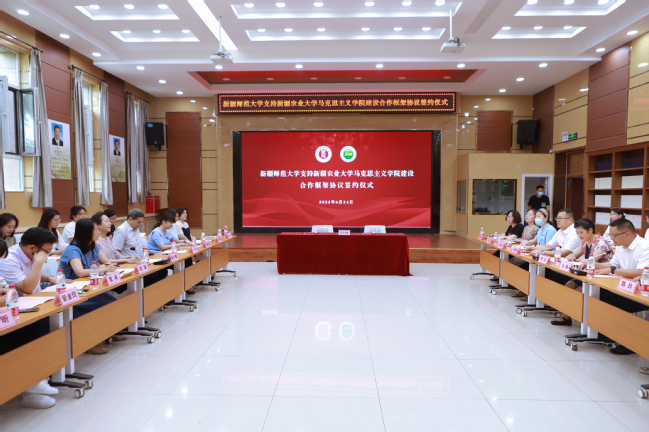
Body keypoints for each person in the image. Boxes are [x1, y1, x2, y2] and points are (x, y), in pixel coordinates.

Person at [0, 232, 64, 409]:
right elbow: (25, 289)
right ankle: (31, 381)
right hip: (14, 310)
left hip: (16, 309)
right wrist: (39, 262)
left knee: (34, 328)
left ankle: (34, 380)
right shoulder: (9, 259)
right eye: (47, 252)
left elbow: (6, 289)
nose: (48, 255)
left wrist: (48, 278)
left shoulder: (19, 255)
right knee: (25, 332)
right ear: (33, 248)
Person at [59, 218, 127, 354]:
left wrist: (105, 267)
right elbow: (80, 272)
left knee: (111, 302)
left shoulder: (93, 245)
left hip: (90, 287)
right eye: (95, 229)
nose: (98, 232)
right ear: (86, 232)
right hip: (73, 292)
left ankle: (108, 332)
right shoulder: (73, 249)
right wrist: (102, 269)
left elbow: (107, 263)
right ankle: (89, 342)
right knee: (101, 305)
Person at [591, 218, 649, 354]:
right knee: (599, 296)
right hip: (623, 288)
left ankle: (628, 341)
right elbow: (612, 264)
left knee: (614, 303)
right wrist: (592, 263)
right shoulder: (621, 247)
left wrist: (613, 271)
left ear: (627, 233)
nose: (612, 239)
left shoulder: (644, 246)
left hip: (639, 293)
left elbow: (642, 272)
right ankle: (607, 332)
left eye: (614, 235)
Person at [551, 218, 613, 326]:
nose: (579, 235)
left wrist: (581, 261)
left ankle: (585, 320)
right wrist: (572, 256)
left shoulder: (600, 243)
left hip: (602, 276)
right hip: (588, 274)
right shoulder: (584, 242)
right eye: (577, 233)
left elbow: (592, 261)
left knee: (578, 292)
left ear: (590, 230)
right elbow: (575, 254)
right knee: (568, 286)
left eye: (581, 232)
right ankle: (567, 317)